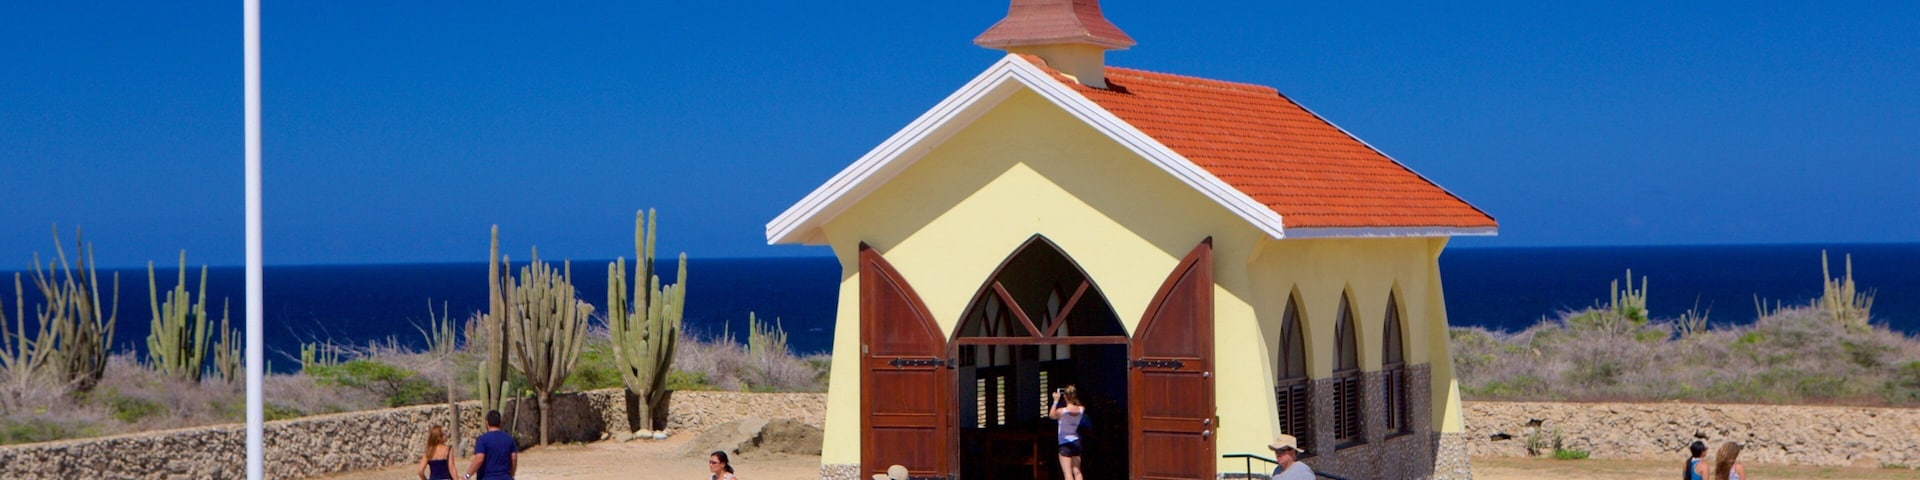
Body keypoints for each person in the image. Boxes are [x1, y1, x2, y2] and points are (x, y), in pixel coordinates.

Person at [465, 410, 517, 480]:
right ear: (500, 422)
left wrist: (467, 476)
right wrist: (511, 474)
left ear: (486, 422)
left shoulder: (483, 440)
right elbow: (513, 458)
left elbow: (479, 458)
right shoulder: (509, 439)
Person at [1049, 385, 1086, 480]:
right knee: (1077, 471)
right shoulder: (1081, 409)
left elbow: (1051, 415)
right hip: (1076, 441)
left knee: (1068, 474)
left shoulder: (1062, 411)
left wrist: (1056, 401)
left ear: (1064, 396)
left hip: (1064, 442)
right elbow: (1077, 405)